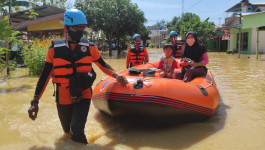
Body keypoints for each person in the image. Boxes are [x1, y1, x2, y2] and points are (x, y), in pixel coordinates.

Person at [27, 9, 128, 144]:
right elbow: (44, 76)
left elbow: (102, 64)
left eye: (82, 27)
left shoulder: (90, 47)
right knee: (67, 131)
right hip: (62, 97)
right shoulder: (53, 49)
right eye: (76, 27)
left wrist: (116, 75)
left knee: (77, 129)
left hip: (83, 94)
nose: (80, 30)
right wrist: (35, 101)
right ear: (66, 28)